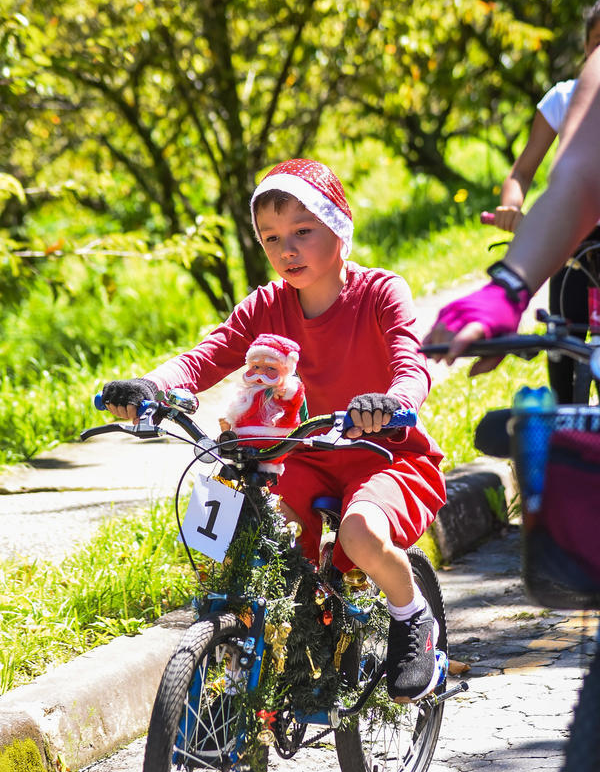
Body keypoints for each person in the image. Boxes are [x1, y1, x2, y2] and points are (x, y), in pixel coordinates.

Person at [101, 158, 446, 703]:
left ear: (339, 228)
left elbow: (412, 359)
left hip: (385, 454)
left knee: (357, 536)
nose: (287, 249)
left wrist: (396, 400)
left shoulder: (381, 293)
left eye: (303, 232)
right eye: (271, 237)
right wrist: (152, 385)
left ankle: (413, 618)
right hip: (303, 453)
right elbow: (208, 354)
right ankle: (242, 690)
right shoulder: (266, 305)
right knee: (257, 547)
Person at [423, 44, 600, 374]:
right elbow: (577, 179)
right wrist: (508, 288)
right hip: (579, 243)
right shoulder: (574, 91)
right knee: (565, 355)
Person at [487, 0, 600, 402]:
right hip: (572, 239)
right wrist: (512, 206)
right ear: (586, 50)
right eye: (597, 43)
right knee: (564, 343)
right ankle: (568, 436)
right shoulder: (563, 99)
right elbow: (522, 170)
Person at [219, 332, 306, 474]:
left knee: (259, 477)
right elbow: (236, 408)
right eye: (255, 367)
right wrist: (228, 423)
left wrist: (287, 391)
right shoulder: (249, 391)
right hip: (241, 445)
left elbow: (297, 394)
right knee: (229, 473)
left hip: (272, 445)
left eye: (271, 368)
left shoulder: (281, 391)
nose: (260, 373)